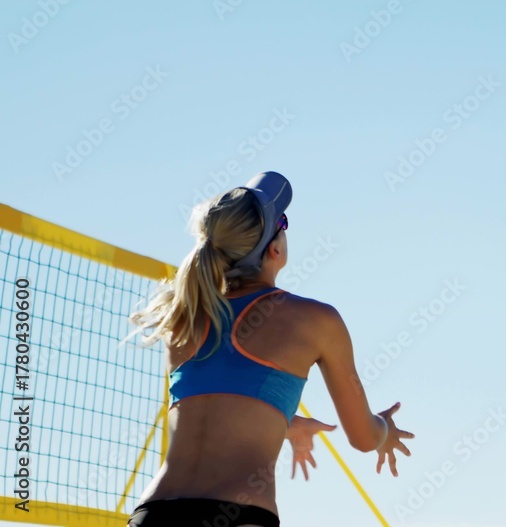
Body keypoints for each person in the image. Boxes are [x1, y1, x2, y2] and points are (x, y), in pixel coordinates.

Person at [126, 171, 413, 526]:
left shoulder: (183, 321)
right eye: (283, 222)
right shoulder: (315, 319)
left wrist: (286, 423)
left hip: (155, 513)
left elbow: (216, 400)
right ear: (274, 250)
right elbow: (362, 437)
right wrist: (384, 429)